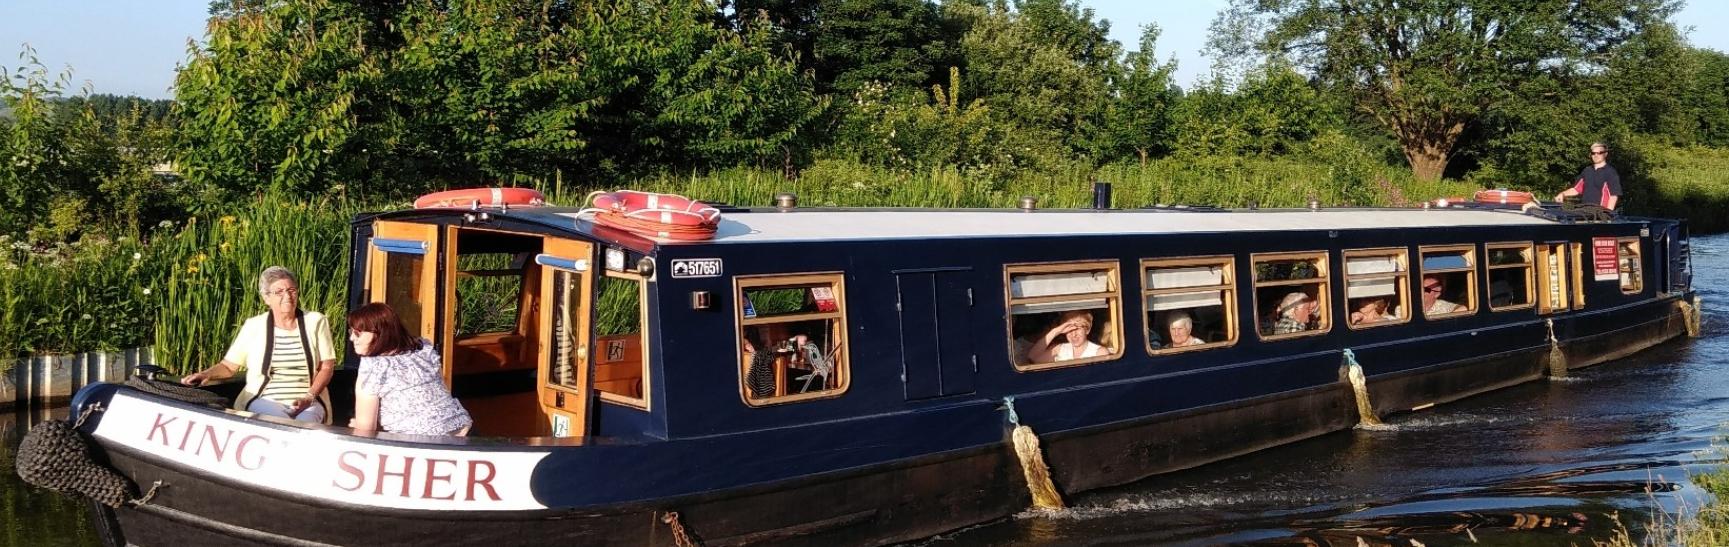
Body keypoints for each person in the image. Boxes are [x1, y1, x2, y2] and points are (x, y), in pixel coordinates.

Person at [182, 266, 336, 423]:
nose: (288, 296)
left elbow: (326, 368)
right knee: (281, 422)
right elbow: (228, 367)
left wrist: (309, 397)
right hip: (265, 398)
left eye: (292, 290)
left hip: (309, 400)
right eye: (279, 292)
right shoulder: (254, 325)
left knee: (307, 424)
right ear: (266, 298)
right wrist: (205, 374)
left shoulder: (316, 321)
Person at [347, 302, 473, 436]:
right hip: (465, 433)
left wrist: (356, 426)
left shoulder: (371, 367)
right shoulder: (424, 349)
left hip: (425, 445)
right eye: (351, 331)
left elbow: (365, 431)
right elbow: (442, 392)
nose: (351, 338)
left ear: (379, 334)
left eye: (357, 333)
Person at [1553, 142, 1622, 211]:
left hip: (1601, 214)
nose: (1596, 155)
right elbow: (1576, 189)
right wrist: (1562, 194)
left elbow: (1614, 195)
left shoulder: (1611, 172)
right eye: (1593, 153)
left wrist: (1608, 213)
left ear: (1605, 154)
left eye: (1599, 153)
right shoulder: (1587, 171)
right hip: (1584, 212)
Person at [1028, 310, 1112, 363]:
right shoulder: (1060, 348)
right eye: (1069, 330)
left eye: (1077, 329)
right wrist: (1055, 331)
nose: (1073, 334)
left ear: (1087, 330)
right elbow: (1033, 357)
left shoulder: (1100, 353)